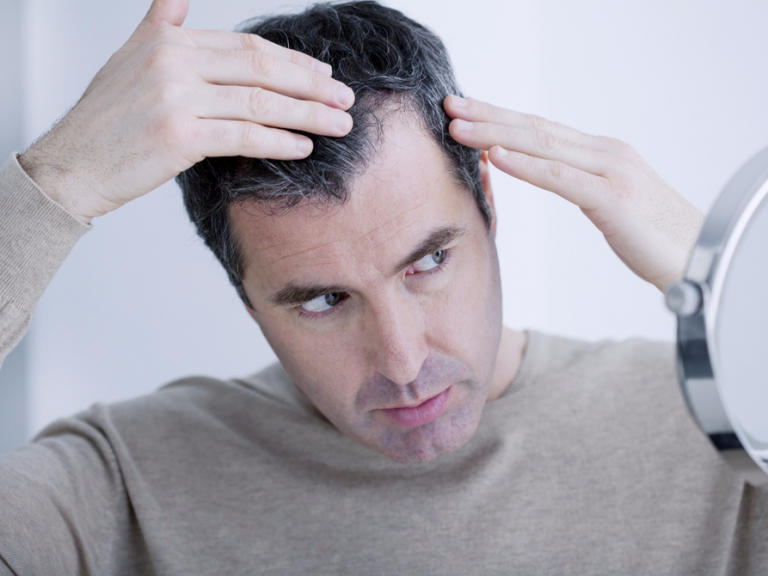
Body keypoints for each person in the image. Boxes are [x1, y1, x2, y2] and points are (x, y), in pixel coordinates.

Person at [0, 0, 765, 574]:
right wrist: (54, 184)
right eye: (323, 300)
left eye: (427, 263)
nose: (402, 361)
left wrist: (735, 283)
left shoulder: (726, 423)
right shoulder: (119, 485)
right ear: (245, 295)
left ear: (487, 204)